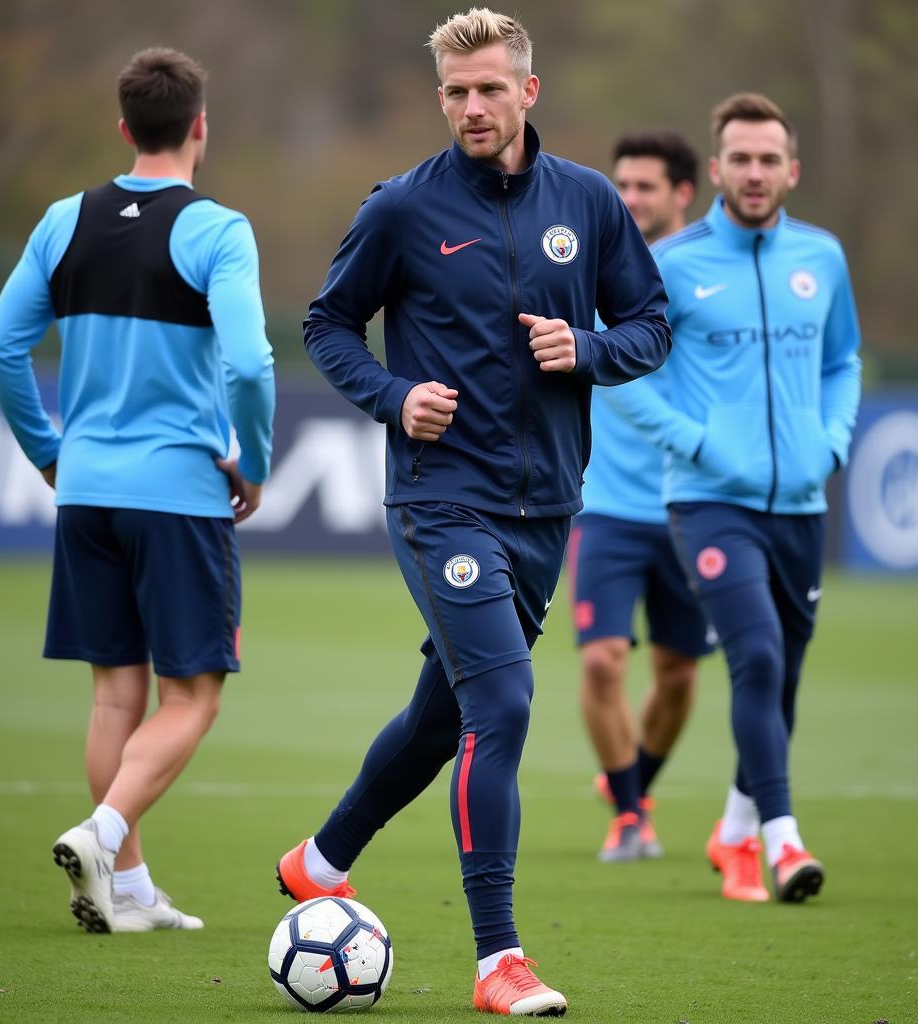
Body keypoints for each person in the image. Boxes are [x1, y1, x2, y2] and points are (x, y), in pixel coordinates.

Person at [275, 8, 670, 1016]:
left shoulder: (585, 201)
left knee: (442, 713)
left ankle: (321, 859)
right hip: (440, 499)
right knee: (502, 707)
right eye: (455, 92)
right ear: (439, 96)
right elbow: (327, 324)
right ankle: (499, 957)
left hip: (548, 507)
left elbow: (651, 325)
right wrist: (392, 395)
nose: (472, 107)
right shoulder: (402, 207)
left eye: (490, 88)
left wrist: (584, 350)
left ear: (528, 91)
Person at [0, 47, 275, 933]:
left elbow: (0, 349)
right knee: (194, 697)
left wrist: (47, 454)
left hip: (88, 492)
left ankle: (133, 891)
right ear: (199, 128)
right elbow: (253, 364)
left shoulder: (63, 219)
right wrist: (252, 463)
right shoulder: (218, 230)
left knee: (116, 694)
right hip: (178, 494)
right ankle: (105, 834)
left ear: (122, 129)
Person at [603, 93, 861, 903]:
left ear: (792, 169)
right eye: (739, 159)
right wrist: (700, 442)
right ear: (714, 172)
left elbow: (843, 362)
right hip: (711, 502)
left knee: (778, 681)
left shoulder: (823, 259)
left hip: (801, 505)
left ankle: (735, 831)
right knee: (754, 655)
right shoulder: (672, 264)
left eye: (768, 159)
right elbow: (619, 373)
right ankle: (784, 842)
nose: (755, 173)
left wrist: (834, 441)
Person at [568, 131, 714, 864]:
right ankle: (630, 815)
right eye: (620, 184)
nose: (628, 199)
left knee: (680, 674)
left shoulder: (709, 279)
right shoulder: (591, 266)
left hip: (693, 504)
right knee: (601, 662)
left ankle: (632, 784)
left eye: (645, 187)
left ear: (682, 193)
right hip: (605, 506)